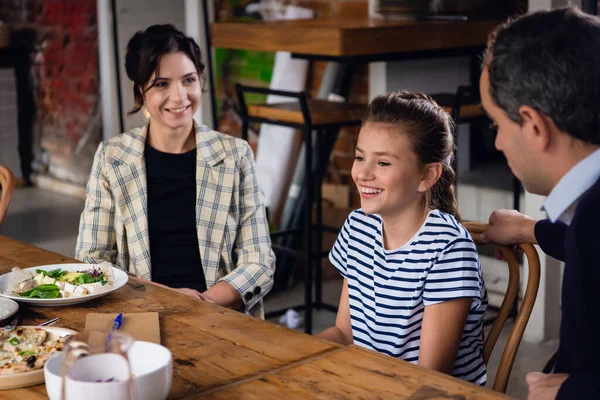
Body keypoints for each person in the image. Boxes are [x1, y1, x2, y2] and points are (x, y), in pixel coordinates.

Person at [75, 24, 275, 318]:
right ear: (140, 91)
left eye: (188, 80)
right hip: (137, 312)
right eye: (161, 84)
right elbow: (91, 260)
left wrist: (201, 303)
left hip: (220, 314)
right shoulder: (112, 157)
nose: (179, 96)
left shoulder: (235, 155)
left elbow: (259, 261)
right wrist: (162, 298)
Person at [317, 91, 488, 385]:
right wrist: (293, 357)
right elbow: (345, 334)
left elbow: (429, 377)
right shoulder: (358, 226)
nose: (362, 173)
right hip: (370, 384)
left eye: (383, 163)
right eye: (360, 157)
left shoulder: (449, 249)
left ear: (427, 175)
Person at [479, 7, 600, 399]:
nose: (497, 143)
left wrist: (573, 391)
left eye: (497, 124)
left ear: (533, 125)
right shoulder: (588, 217)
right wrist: (531, 229)